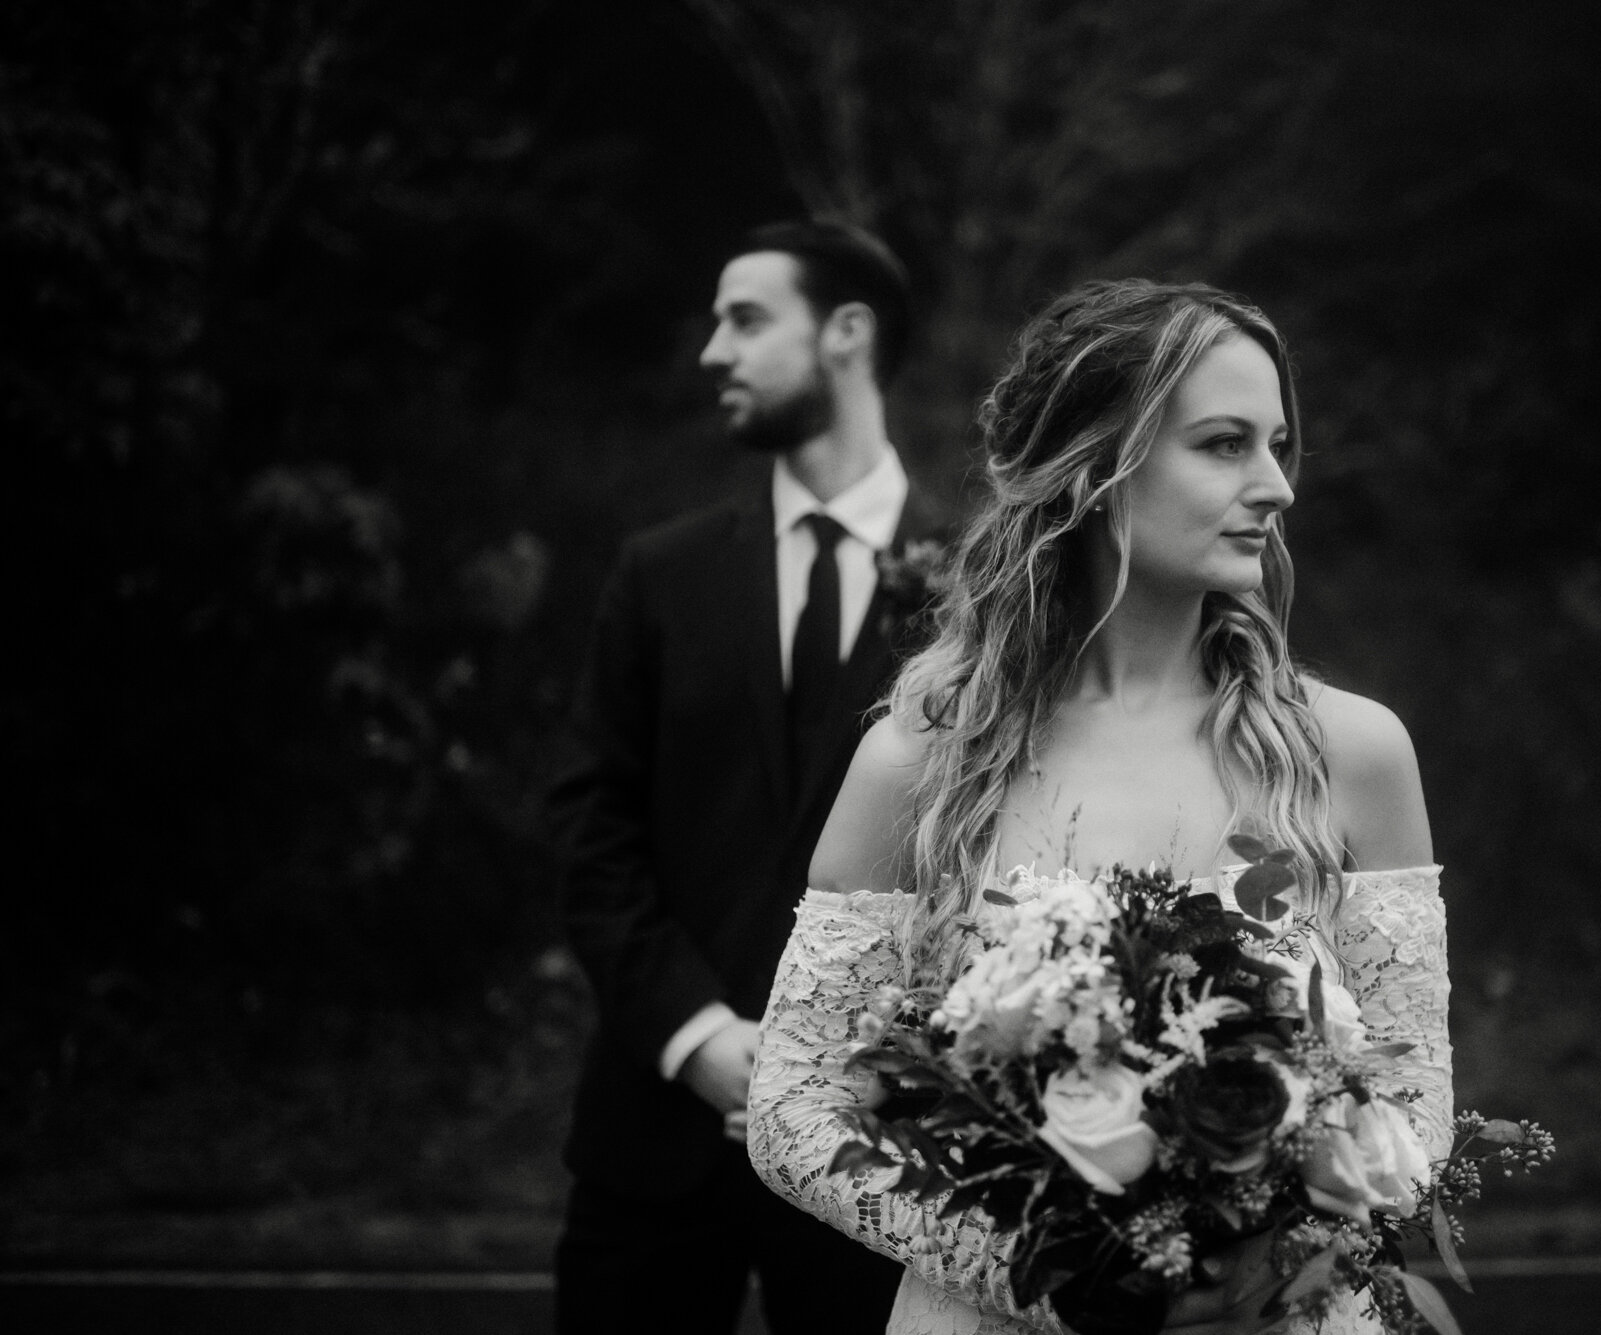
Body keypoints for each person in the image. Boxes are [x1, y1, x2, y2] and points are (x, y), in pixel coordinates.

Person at [745, 279, 1453, 1334]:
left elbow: (1413, 1101)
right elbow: (791, 1112)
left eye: (1277, 445)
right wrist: (1055, 1276)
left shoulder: (1350, 754)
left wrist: (1273, 1257)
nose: (1275, 487)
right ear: (1088, 468)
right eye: (1222, 444)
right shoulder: (920, 763)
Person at [547, 220, 933, 1335]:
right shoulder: (659, 575)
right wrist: (699, 1036)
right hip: (656, 1133)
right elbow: (590, 826)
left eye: (746, 318)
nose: (714, 350)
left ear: (847, 333)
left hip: (887, 1149)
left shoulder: (982, 588)